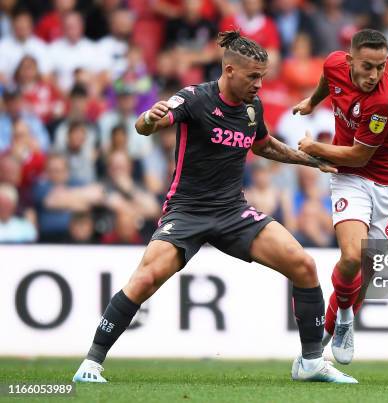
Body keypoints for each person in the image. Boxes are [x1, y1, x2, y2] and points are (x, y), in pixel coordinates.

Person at [71, 30, 357, 384]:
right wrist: (147, 118)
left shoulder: (253, 107)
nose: (259, 84)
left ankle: (311, 362)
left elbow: (264, 146)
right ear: (230, 70)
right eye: (253, 76)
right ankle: (91, 363)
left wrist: (311, 161)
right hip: (187, 211)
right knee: (145, 278)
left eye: (262, 77)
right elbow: (148, 125)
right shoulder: (193, 98)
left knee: (303, 264)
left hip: (233, 211)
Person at [293, 29, 388, 365]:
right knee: (351, 257)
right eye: (367, 66)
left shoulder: (383, 102)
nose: (374, 75)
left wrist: (315, 148)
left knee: (367, 274)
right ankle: (344, 319)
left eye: (381, 66)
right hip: (350, 178)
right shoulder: (333, 64)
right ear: (349, 60)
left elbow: (360, 154)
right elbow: (328, 82)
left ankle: (329, 327)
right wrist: (312, 102)